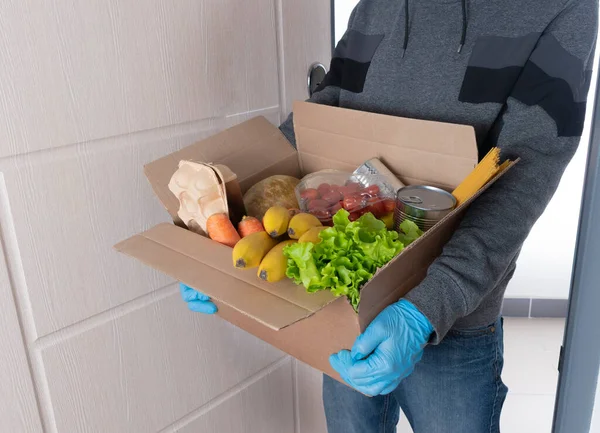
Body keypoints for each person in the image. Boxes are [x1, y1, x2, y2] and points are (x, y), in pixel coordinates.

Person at [180, 0, 598, 431]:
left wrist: (424, 310)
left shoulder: (563, 7)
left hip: (450, 314)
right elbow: (324, 113)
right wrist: (220, 232)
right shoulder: (375, 7)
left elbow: (525, 171)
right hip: (342, 302)